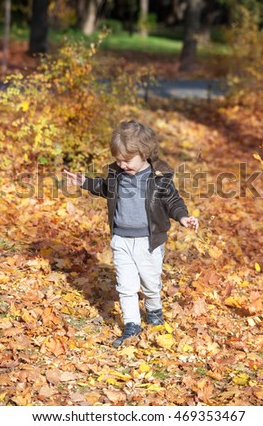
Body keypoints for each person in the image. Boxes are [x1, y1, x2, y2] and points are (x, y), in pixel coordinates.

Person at [63, 119, 198, 348]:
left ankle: (154, 309)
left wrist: (183, 217)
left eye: (127, 160)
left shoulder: (159, 179)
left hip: (149, 241)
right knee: (125, 286)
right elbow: (105, 188)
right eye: (118, 160)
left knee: (150, 283)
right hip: (121, 239)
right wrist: (85, 182)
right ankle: (132, 324)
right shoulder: (117, 175)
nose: (122, 165)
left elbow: (173, 201)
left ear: (144, 153)